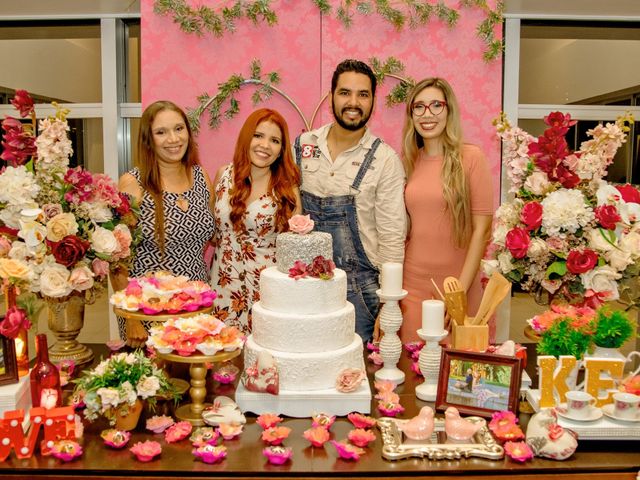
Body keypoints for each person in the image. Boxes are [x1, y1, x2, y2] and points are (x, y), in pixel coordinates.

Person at [293, 59, 407, 343]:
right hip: (303, 288)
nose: (353, 102)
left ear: (373, 102)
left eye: (363, 94)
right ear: (331, 96)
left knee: (353, 379)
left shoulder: (385, 160)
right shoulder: (303, 145)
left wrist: (389, 307)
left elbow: (393, 240)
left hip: (360, 293)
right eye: (345, 92)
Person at [399, 78, 494, 342]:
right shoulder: (408, 161)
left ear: (449, 110)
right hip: (413, 287)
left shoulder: (471, 158)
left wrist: (459, 292)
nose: (427, 114)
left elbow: (482, 230)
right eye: (419, 107)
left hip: (458, 284)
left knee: (458, 375)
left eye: (435, 105)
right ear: (411, 115)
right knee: (413, 369)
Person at [115, 100, 216, 346]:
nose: (173, 139)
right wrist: (130, 318)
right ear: (149, 139)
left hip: (195, 308)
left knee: (195, 381)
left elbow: (213, 233)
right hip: (149, 310)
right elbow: (115, 259)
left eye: (179, 129)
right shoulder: (132, 184)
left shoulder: (201, 177)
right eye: (161, 132)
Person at [211, 108, 301, 334]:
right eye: (258, 135)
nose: (265, 145)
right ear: (246, 137)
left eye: (274, 140)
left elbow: (294, 247)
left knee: (263, 364)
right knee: (224, 360)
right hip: (222, 286)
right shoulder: (223, 175)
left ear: (281, 150)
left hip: (266, 292)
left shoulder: (287, 189)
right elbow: (212, 233)